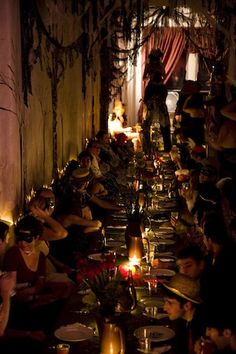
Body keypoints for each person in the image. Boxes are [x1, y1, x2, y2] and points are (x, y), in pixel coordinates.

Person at [162, 273, 206, 354]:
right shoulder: (182, 322)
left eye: (170, 303)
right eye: (165, 301)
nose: (164, 308)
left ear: (187, 306)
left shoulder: (202, 330)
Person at [143, 48, 171, 152]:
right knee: (148, 118)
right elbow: (144, 78)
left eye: (157, 59)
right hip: (151, 89)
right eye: (154, 59)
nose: (155, 61)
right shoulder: (148, 66)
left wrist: (159, 71)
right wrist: (150, 75)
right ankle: (147, 147)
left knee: (164, 118)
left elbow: (164, 76)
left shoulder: (161, 66)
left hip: (160, 89)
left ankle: (167, 146)